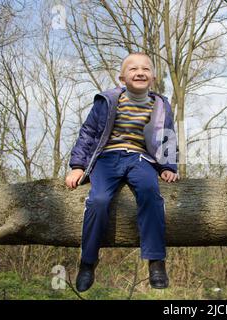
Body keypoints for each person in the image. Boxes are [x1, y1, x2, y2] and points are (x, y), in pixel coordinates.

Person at [65, 52, 178, 292]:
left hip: (141, 158)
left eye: (146, 69)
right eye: (133, 69)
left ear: (153, 77)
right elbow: (88, 134)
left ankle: (156, 261)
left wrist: (168, 167)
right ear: (122, 78)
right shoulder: (107, 100)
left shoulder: (160, 104)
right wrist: (78, 166)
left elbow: (167, 135)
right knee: (99, 200)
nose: (140, 72)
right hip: (107, 158)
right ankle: (88, 261)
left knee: (150, 193)